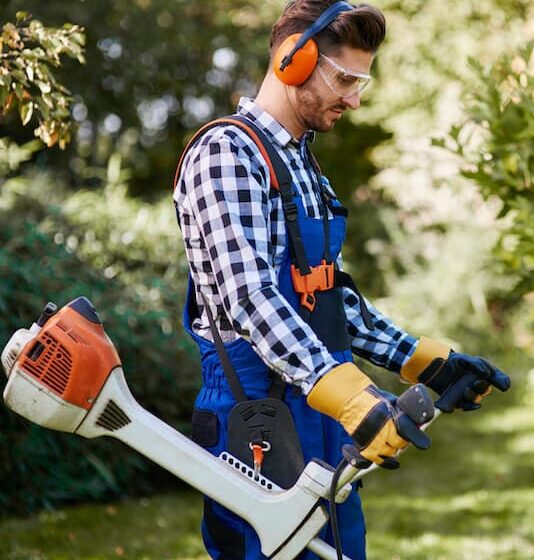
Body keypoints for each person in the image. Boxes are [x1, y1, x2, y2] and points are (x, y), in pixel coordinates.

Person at [172, 1, 511, 558]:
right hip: (257, 414)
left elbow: (326, 296)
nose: (354, 98)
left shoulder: (302, 165)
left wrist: (425, 360)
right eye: (346, 79)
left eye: (362, 82)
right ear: (292, 60)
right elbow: (251, 298)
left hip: (323, 407)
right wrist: (355, 399)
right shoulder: (228, 153)